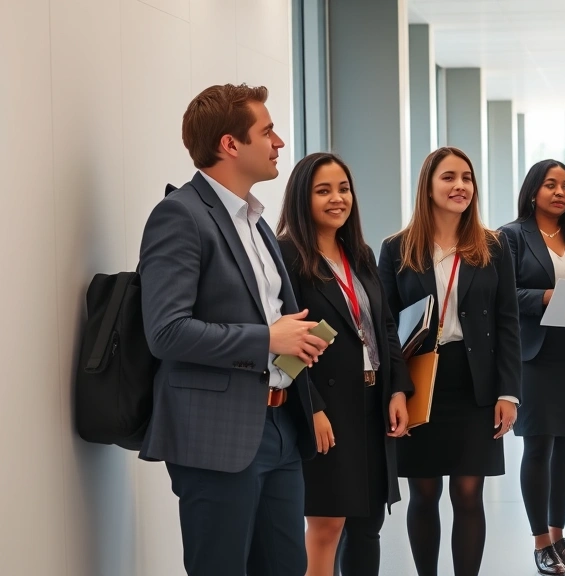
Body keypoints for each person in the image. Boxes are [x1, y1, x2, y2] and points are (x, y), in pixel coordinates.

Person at [138, 84, 328, 576]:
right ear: (229, 145)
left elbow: (271, 315)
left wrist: (296, 345)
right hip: (217, 437)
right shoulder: (179, 215)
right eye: (267, 132)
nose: (279, 142)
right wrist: (269, 339)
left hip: (282, 426)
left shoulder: (258, 221)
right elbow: (167, 332)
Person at [377, 146, 522, 576]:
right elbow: (386, 330)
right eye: (449, 177)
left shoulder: (492, 247)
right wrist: (396, 390)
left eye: (467, 178)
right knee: (423, 494)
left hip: (473, 380)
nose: (460, 186)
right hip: (420, 379)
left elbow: (508, 321)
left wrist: (508, 391)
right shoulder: (397, 249)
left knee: (468, 492)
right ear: (428, 185)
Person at [276, 152, 414, 576]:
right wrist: (312, 407)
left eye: (343, 188)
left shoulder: (359, 253)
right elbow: (287, 345)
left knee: (368, 524)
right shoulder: (288, 255)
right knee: (326, 524)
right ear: (303, 197)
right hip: (327, 409)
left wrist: (397, 389)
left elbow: (385, 327)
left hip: (371, 403)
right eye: (323, 191)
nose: (337, 199)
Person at [498, 160, 565, 575]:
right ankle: (540, 541)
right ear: (533, 191)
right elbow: (504, 296)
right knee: (538, 444)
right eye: (550, 185)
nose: (560, 193)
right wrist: (544, 297)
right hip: (534, 354)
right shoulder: (510, 236)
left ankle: (559, 536)